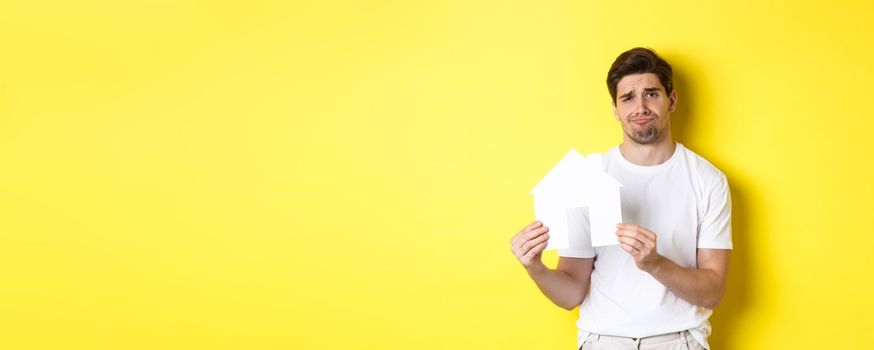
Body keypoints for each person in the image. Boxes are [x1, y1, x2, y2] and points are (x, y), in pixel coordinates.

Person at [510, 47, 732, 350]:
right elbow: (571, 292)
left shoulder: (708, 180)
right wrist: (535, 267)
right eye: (628, 98)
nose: (640, 106)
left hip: (679, 341)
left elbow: (712, 292)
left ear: (672, 100)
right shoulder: (588, 176)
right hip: (603, 341)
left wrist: (654, 263)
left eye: (652, 94)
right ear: (615, 109)